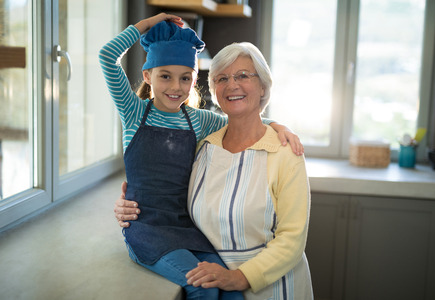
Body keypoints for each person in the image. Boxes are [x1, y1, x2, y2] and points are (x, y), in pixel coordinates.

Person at [100, 13, 303, 299]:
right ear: (148, 76)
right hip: (147, 229)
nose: (175, 87)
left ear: (195, 80)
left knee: (230, 290)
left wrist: (279, 125)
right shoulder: (133, 113)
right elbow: (107, 56)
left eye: (185, 78)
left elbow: (246, 121)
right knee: (203, 289)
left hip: (187, 228)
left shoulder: (198, 120)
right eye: (165, 76)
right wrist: (149, 23)